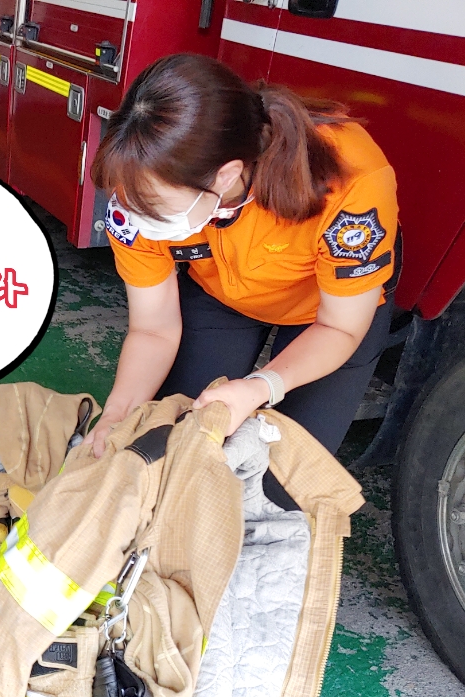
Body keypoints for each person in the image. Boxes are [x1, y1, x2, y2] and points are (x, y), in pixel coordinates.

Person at [85, 53, 400, 458]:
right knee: (174, 441)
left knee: (289, 470)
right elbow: (153, 329)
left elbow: (340, 327)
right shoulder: (137, 199)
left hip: (327, 317)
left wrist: (259, 387)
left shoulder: (351, 182)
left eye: (155, 208)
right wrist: (116, 415)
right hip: (221, 291)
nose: (137, 220)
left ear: (226, 176)